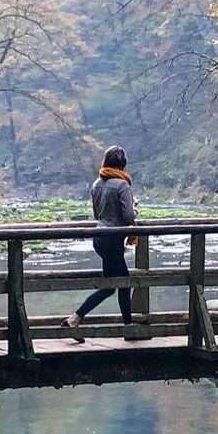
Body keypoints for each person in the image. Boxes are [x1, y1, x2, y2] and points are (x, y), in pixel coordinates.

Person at [62, 145, 138, 342]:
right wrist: (135, 209)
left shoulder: (97, 184)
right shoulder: (122, 185)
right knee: (117, 284)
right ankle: (75, 318)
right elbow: (129, 216)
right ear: (123, 165)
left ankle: (128, 326)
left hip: (99, 237)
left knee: (118, 283)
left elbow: (97, 215)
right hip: (113, 240)